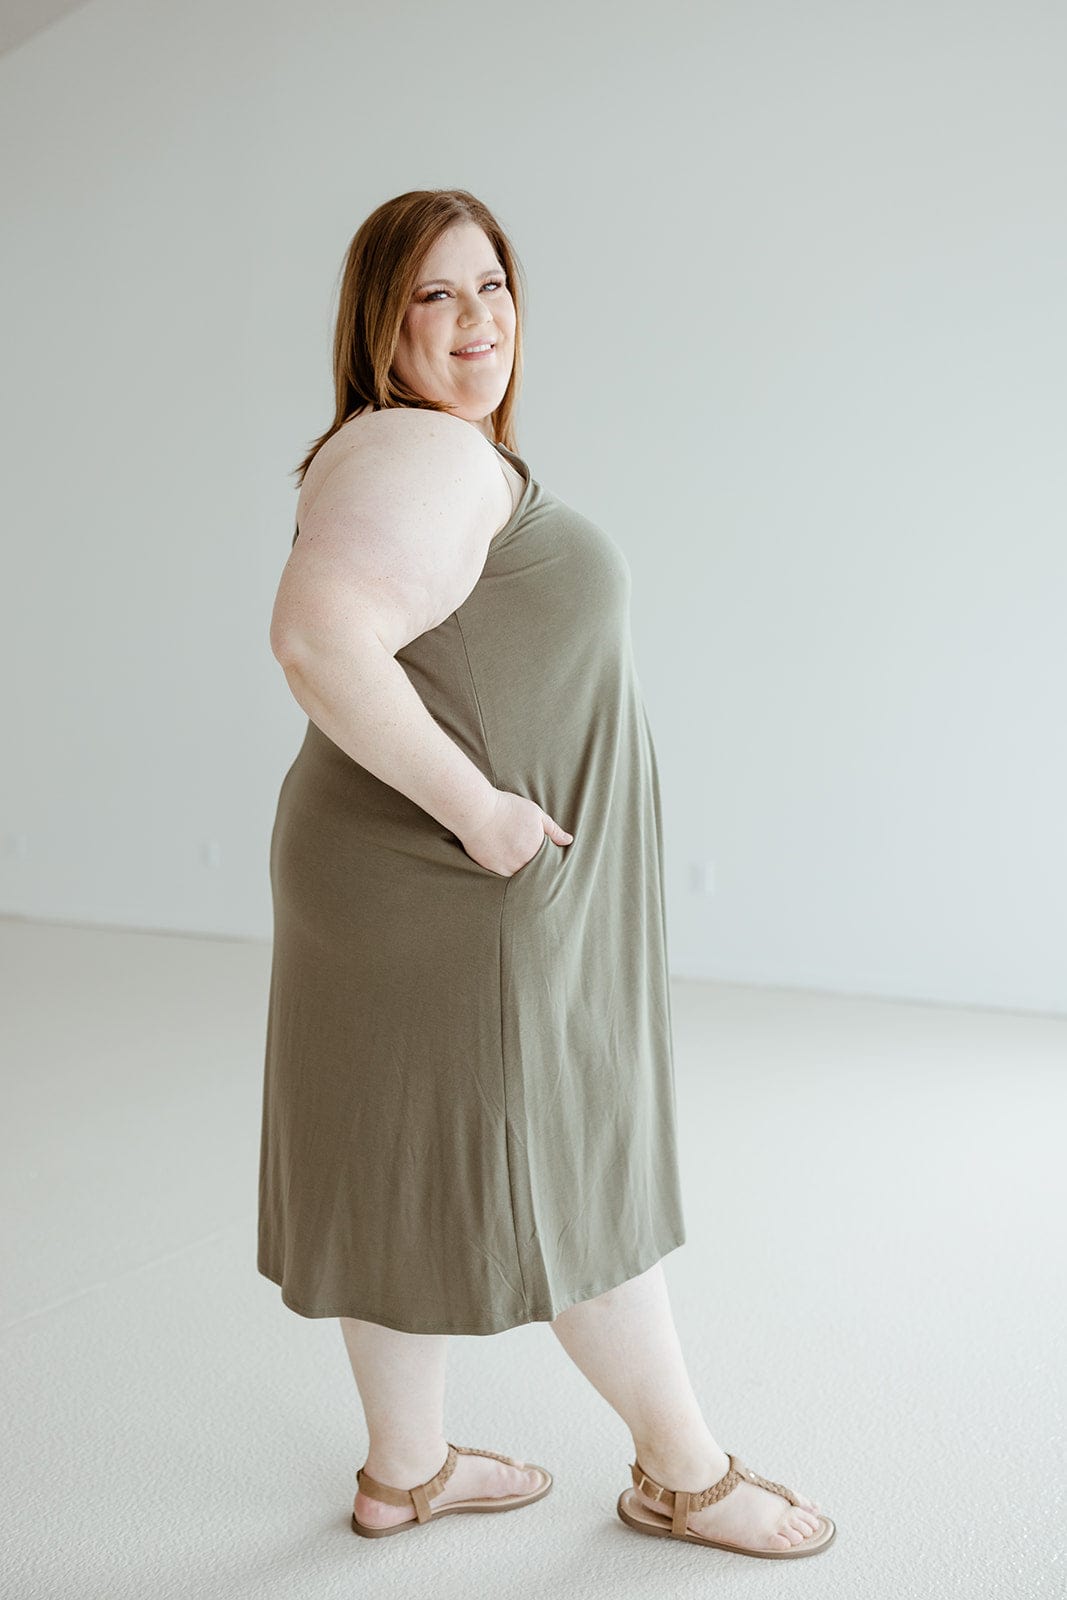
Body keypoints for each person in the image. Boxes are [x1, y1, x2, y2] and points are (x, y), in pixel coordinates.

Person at [259, 188, 835, 1559]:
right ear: (379, 326)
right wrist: (487, 817)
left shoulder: (403, 448)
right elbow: (315, 639)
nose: (479, 320)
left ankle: (407, 1472)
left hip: (407, 884)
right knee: (564, 1169)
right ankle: (680, 1473)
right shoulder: (430, 457)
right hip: (456, 890)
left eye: (493, 286)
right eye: (436, 298)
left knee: (403, 1169)